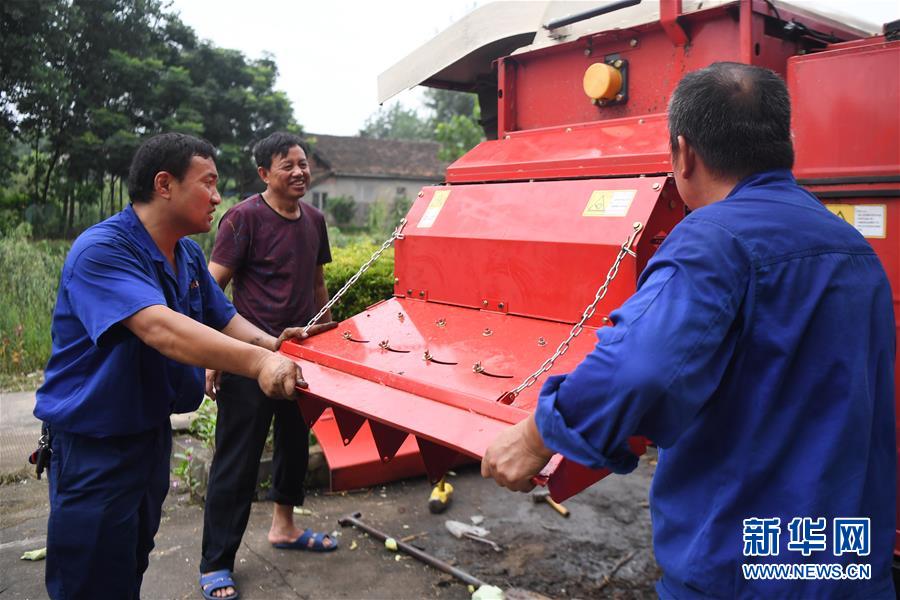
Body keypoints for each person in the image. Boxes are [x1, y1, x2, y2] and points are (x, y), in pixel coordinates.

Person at [481, 62, 896, 598]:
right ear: (783, 145)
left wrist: (536, 435)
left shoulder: (713, 239)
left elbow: (638, 367)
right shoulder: (855, 250)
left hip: (744, 575)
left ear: (684, 152)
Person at [33, 132, 320, 599]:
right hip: (95, 446)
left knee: (129, 562)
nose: (217, 197)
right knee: (89, 578)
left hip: (148, 437)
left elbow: (223, 317)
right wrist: (259, 364)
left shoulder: (185, 253)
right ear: (165, 184)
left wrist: (275, 345)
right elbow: (161, 329)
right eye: (208, 183)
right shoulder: (102, 251)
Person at [198, 132, 336, 600]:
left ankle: (285, 528)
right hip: (248, 359)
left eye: (303, 164)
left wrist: (328, 338)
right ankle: (216, 561)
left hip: (299, 359)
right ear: (264, 174)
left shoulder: (314, 220)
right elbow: (212, 288)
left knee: (294, 448)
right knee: (236, 462)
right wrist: (215, 353)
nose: (299, 172)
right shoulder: (243, 219)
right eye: (287, 166)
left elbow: (317, 286)